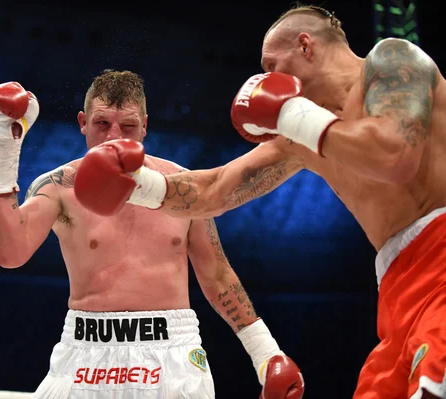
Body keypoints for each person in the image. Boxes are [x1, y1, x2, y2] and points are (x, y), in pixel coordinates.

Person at [74, 6, 446, 399]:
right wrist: (137, 185)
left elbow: (395, 155)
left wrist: (291, 113)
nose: (267, 81)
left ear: (305, 46)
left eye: (272, 66)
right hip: (397, 291)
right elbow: (215, 189)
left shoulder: (390, 62)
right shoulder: (308, 132)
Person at [0, 70, 304, 398]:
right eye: (102, 124)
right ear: (83, 123)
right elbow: (10, 254)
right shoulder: (58, 187)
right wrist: (2, 152)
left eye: (127, 126)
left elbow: (217, 276)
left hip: (170, 353)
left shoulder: (183, 187)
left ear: (145, 126)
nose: (114, 136)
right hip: (85, 352)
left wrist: (265, 353)